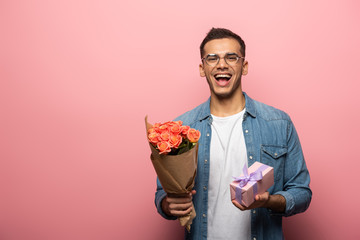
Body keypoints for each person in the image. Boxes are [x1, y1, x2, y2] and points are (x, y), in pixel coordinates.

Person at [154, 27, 312, 240]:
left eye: (231, 57)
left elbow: (301, 193)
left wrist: (269, 201)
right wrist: (168, 205)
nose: (222, 64)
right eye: (212, 58)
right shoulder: (182, 129)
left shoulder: (278, 123)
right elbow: (162, 196)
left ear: (244, 66)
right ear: (202, 68)